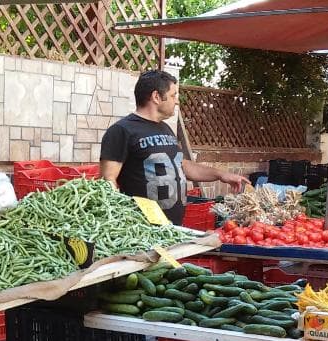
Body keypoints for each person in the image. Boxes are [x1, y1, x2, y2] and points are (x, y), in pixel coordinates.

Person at [100, 70, 248, 225]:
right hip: (141, 231)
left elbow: (182, 165)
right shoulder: (121, 131)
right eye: (173, 95)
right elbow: (107, 180)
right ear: (156, 97)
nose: (176, 101)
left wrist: (221, 175)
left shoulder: (165, 129)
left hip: (172, 228)